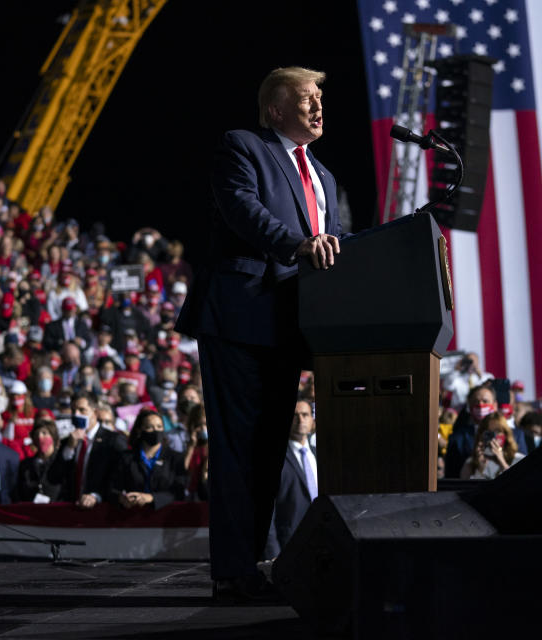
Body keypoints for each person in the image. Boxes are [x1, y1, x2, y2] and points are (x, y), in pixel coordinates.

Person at [176, 66, 342, 600]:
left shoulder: (324, 175)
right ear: (275, 110)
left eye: (320, 97)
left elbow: (335, 243)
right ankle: (231, 570)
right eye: (306, 98)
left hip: (289, 324)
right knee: (239, 446)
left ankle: (253, 562)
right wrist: (296, 243)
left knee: (270, 448)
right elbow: (243, 211)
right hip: (240, 313)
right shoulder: (243, 147)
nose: (318, 106)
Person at [49, 392, 128, 508]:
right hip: (71, 508)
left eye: (82, 410)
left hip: (100, 510)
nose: (76, 414)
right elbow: (54, 477)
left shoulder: (113, 440)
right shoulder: (68, 441)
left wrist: (97, 496)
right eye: (73, 410)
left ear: (95, 412)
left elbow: (119, 478)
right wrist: (69, 448)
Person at [266, 400, 318, 559]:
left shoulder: (319, 454)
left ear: (312, 421)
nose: (300, 420)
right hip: (289, 546)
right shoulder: (275, 459)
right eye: (295, 416)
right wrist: (274, 553)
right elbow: (269, 512)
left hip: (321, 541)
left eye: (305, 415)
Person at [108, 410, 187, 510]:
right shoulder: (127, 457)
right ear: (139, 430)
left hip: (166, 517)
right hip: (132, 517)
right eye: (149, 427)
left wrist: (152, 498)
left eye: (159, 427)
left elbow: (179, 491)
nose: (155, 430)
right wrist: (122, 498)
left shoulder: (176, 458)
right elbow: (113, 488)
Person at [460, 412, 524, 480]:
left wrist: (502, 462)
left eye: (497, 431)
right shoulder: (470, 462)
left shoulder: (518, 459)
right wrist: (480, 469)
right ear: (481, 435)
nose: (494, 437)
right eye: (488, 433)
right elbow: (465, 487)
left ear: (506, 434)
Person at [16, 419, 64, 502]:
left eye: (44, 433)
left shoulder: (62, 462)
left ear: (53, 437)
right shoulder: (26, 465)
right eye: (36, 434)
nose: (40, 437)